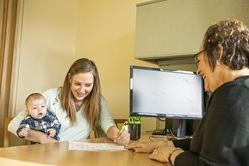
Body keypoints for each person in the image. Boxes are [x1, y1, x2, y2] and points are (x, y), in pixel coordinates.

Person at [127, 19, 249, 166]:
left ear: (218, 53)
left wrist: (172, 155)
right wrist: (166, 144)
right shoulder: (240, 91)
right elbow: (209, 144)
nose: (198, 70)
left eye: (198, 59)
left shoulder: (232, 94)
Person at [9, 58, 130, 145]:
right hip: (46, 154)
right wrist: (43, 138)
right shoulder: (50, 96)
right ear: (69, 78)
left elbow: (107, 125)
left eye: (88, 85)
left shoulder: (99, 101)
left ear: (94, 84)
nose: (82, 90)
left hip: (77, 158)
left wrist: (118, 135)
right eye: (77, 84)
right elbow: (13, 125)